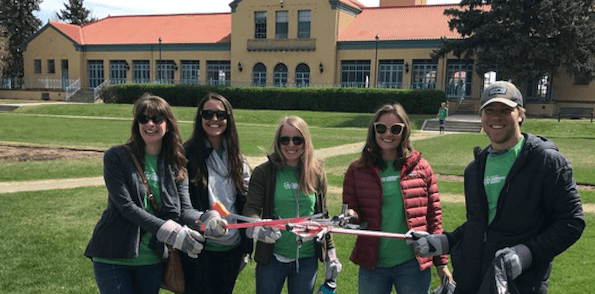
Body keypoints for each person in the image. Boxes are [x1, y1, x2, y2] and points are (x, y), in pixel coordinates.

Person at [408, 81, 586, 294]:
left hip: (519, 284)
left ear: (521, 114)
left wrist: (526, 253)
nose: (496, 117)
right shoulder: (474, 169)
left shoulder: (547, 162)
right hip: (470, 281)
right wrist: (444, 241)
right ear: (481, 116)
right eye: (489, 110)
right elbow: (480, 224)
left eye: (505, 110)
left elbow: (571, 223)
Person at [84, 94, 227, 294]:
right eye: (143, 118)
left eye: (157, 119)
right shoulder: (116, 157)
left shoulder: (177, 163)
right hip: (112, 255)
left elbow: (184, 210)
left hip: (151, 258)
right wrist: (171, 232)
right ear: (136, 124)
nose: (149, 124)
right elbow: (126, 207)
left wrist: (206, 219)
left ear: (167, 124)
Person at [342, 103, 451, 294]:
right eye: (381, 128)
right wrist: (350, 216)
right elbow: (351, 210)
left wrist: (440, 262)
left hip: (412, 263)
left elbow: (433, 217)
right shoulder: (357, 169)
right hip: (372, 264)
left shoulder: (421, 167)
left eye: (395, 129)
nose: (388, 134)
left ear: (404, 131)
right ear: (373, 130)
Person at [242, 116, 342, 294]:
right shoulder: (263, 172)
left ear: (306, 142)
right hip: (271, 257)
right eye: (284, 140)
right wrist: (259, 229)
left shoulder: (316, 172)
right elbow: (251, 209)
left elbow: (323, 216)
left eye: (297, 139)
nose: (291, 145)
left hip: (306, 258)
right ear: (277, 142)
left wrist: (331, 254)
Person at [181, 92, 253, 294]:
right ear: (200, 118)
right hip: (198, 250)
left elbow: (245, 199)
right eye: (208, 114)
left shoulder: (236, 156)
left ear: (228, 119)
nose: (214, 119)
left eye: (220, 115)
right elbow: (181, 205)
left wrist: (251, 233)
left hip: (232, 250)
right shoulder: (186, 154)